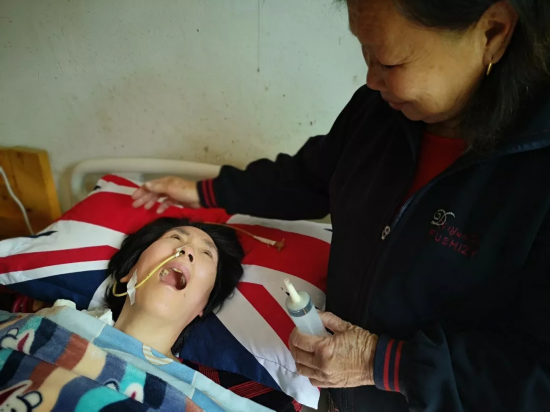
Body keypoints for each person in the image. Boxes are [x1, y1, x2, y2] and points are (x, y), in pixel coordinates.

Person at [131, 0, 550, 410]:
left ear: (492, 32)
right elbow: (307, 178)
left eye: (390, 62)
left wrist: (383, 363)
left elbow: (535, 377)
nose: (371, 79)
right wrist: (207, 192)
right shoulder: (376, 114)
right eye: (365, 51)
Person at [105, 217, 244, 360]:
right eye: (175, 237)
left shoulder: (202, 375)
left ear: (206, 303)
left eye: (207, 253)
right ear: (130, 270)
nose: (187, 250)